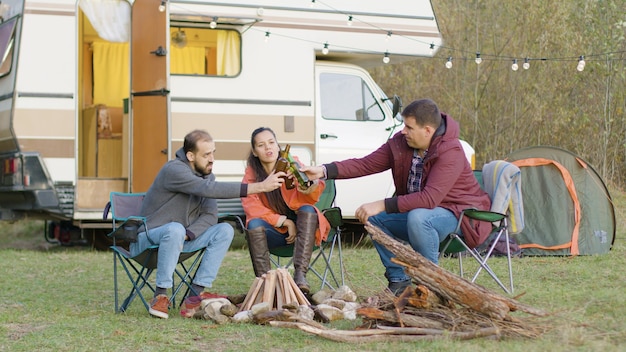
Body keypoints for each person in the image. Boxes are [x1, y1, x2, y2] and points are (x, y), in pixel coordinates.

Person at [301, 99, 491, 295]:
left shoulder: (451, 151)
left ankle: (432, 284)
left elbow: (429, 199)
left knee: (420, 217)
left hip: (460, 215)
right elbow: (365, 164)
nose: (403, 131)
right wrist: (323, 170)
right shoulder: (401, 144)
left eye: (409, 127)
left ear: (427, 130)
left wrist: (383, 203)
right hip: (423, 215)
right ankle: (399, 282)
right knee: (374, 220)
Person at [133, 129, 286, 319]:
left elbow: (210, 215)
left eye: (213, 152)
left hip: (180, 240)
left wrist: (188, 234)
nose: (212, 159)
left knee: (224, 230)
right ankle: (161, 295)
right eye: (206, 154)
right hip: (148, 240)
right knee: (174, 229)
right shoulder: (174, 170)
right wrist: (260, 187)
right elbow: (207, 188)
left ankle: (195, 296)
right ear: (190, 155)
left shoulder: (206, 175)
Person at [241, 127, 330, 294]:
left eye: (271, 142)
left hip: (305, 231)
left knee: (308, 210)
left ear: (278, 145)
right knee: (253, 224)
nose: (268, 148)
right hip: (275, 233)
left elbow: (314, 186)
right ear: (254, 151)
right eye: (261, 145)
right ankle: (266, 284)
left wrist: (310, 186)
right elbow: (252, 207)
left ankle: (300, 276)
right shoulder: (251, 176)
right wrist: (284, 221)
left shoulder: (292, 164)